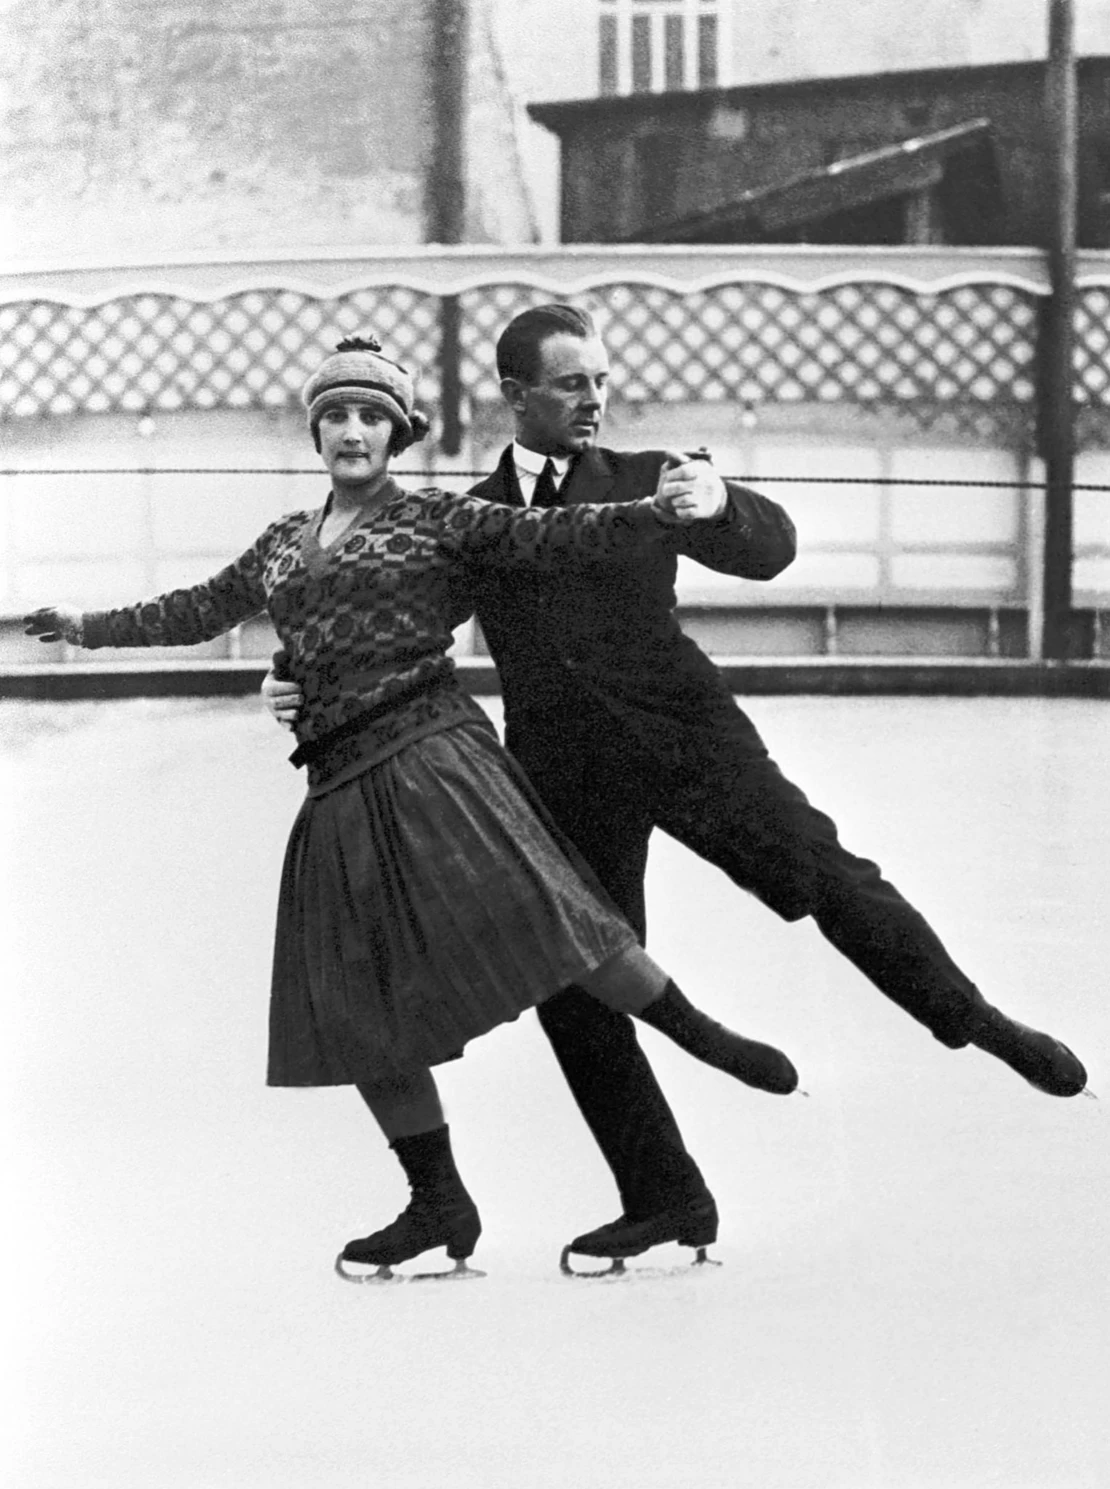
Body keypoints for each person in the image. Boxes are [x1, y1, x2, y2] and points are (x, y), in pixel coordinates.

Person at [264, 306, 1089, 1273]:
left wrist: (723, 500)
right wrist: (293, 676)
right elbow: (378, 612)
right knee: (573, 983)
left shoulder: (650, 477)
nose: (594, 399)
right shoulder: (471, 520)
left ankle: (976, 1021)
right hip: (563, 777)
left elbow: (770, 548)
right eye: (572, 383)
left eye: (601, 381)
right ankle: (665, 1194)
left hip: (691, 744)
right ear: (516, 395)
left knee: (827, 876)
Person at [25, 335, 801, 1282]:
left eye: (371, 416)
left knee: (549, 917)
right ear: (317, 434)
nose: (353, 431)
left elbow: (555, 536)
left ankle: (702, 1035)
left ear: (397, 435)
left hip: (435, 758)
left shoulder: (438, 517)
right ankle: (438, 1198)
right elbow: (195, 608)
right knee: (353, 1000)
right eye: (336, 416)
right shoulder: (281, 541)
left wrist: (653, 509)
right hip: (337, 781)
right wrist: (84, 627)